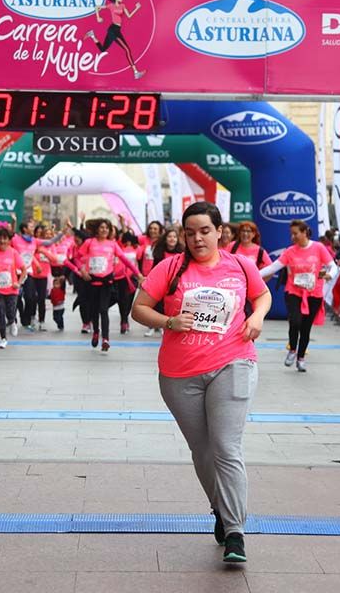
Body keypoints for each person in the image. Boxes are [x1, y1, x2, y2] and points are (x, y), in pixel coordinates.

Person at [130, 202, 271, 564]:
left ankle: (236, 531)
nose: (197, 238)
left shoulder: (240, 265)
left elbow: (262, 295)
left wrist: (256, 317)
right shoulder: (170, 267)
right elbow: (139, 308)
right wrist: (168, 321)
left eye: (204, 230)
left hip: (233, 362)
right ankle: (220, 511)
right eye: (190, 232)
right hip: (180, 374)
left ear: (219, 231)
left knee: (226, 446)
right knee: (203, 450)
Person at [259, 220, 337, 372]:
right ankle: (292, 349)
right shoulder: (290, 251)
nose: (293, 237)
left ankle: (301, 358)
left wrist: (329, 275)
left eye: (295, 233)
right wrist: (253, 274)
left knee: (306, 328)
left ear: (304, 233)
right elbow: (273, 267)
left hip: (313, 293)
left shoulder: (318, 248)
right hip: (294, 291)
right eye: (291, 234)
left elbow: (333, 266)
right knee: (295, 322)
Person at [75, 219, 141, 351]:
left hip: (106, 282)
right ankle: (95, 332)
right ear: (97, 230)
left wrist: (138, 274)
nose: (104, 230)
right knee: (94, 309)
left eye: (107, 228)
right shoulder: (89, 242)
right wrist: (82, 271)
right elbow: (77, 257)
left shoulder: (112, 244)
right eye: (102, 227)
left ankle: (105, 339)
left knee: (104, 310)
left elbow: (125, 260)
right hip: (92, 281)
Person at [85, 0, 145, 79]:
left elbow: (129, 16)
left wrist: (136, 8)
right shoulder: (111, 6)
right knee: (127, 50)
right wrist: (98, 17)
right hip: (113, 30)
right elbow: (97, 7)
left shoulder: (123, 6)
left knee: (103, 49)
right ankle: (135, 72)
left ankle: (92, 35)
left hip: (116, 30)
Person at [0, 227, 27, 349]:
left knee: (10, 312)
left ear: (9, 240)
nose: (2, 241)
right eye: (0, 238)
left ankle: (12, 321)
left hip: (11, 289)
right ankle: (3, 338)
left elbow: (23, 269)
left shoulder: (13, 253)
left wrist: (18, 282)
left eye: (5, 238)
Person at [115, 231, 142, 333]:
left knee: (130, 300)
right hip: (122, 277)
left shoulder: (137, 249)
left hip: (133, 277)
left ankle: (125, 318)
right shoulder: (120, 248)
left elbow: (139, 260)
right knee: (122, 300)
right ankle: (124, 320)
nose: (128, 241)